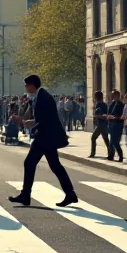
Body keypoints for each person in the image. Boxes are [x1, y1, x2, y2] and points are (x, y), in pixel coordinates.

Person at [9, 75, 77, 207]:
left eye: (26, 85)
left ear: (32, 85)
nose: (25, 88)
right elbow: (41, 119)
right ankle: (70, 194)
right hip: (46, 136)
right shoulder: (41, 97)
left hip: (45, 137)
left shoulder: (43, 98)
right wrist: (26, 122)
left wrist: (24, 123)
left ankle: (25, 195)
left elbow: (44, 120)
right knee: (55, 166)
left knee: (30, 163)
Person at [88, 91, 108, 158]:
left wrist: (98, 116)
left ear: (96, 97)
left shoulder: (99, 104)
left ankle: (93, 153)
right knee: (106, 139)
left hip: (100, 124)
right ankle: (111, 152)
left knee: (93, 137)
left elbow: (98, 113)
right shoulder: (104, 104)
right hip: (104, 124)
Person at [106, 90, 125, 161]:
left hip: (117, 124)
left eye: (114, 95)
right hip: (111, 124)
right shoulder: (113, 103)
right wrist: (108, 116)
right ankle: (111, 155)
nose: (112, 96)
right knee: (111, 141)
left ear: (118, 95)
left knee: (115, 141)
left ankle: (120, 155)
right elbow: (109, 112)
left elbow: (121, 116)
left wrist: (113, 117)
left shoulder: (120, 104)